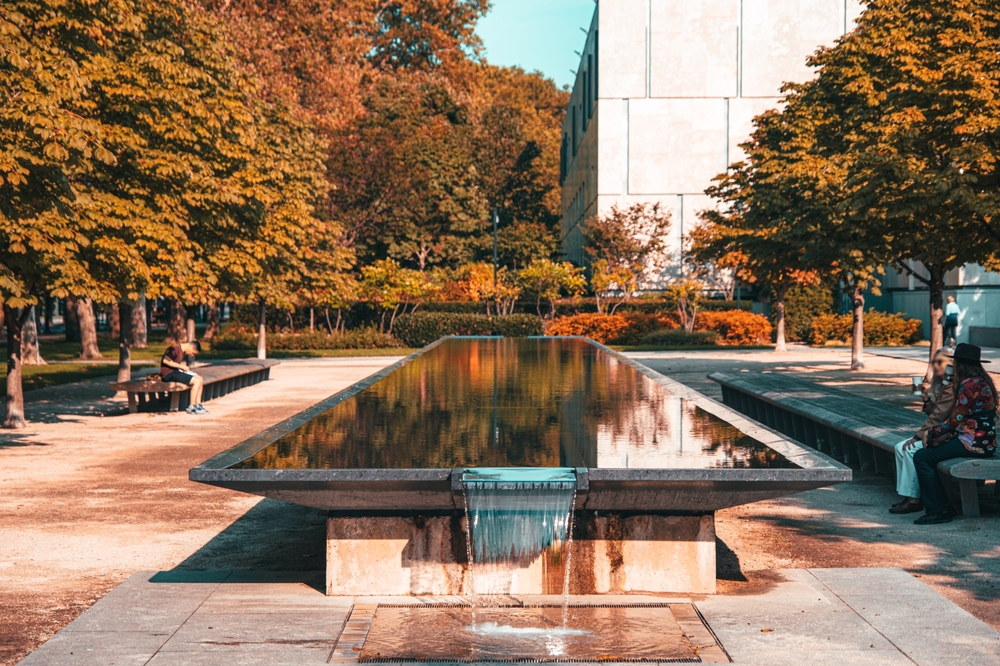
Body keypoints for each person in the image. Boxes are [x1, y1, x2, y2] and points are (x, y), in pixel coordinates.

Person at [913, 343, 996, 525]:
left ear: (960, 364)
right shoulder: (984, 380)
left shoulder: (968, 384)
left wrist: (930, 431)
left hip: (972, 443)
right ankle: (943, 505)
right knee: (928, 455)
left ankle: (939, 510)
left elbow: (955, 419)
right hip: (987, 442)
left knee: (922, 457)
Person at [890, 348, 955, 514]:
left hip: (950, 435)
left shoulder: (952, 384)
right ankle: (909, 496)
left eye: (941, 362)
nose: (937, 365)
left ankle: (914, 499)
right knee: (899, 447)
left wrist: (918, 436)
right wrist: (925, 397)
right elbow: (935, 411)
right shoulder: (943, 383)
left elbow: (939, 416)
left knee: (909, 449)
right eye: (935, 362)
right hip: (941, 432)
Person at [160, 339, 208, 415]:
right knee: (196, 381)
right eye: (193, 353)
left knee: (200, 379)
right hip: (169, 374)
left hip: (176, 372)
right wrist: (181, 366)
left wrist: (181, 369)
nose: (192, 355)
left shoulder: (182, 351)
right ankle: (191, 406)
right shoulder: (175, 349)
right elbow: (165, 361)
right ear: (191, 348)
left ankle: (198, 404)